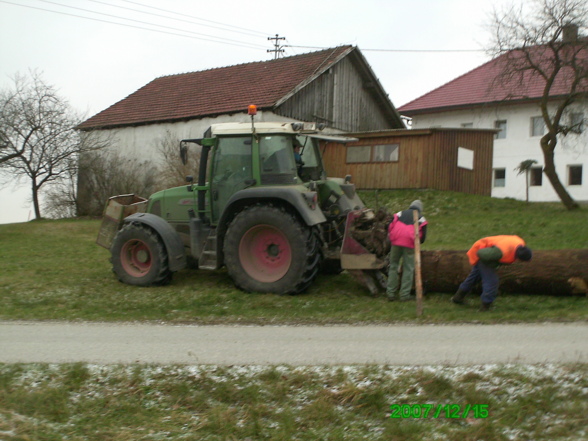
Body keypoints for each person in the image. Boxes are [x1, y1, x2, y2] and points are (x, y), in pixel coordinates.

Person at [452, 235, 532, 311]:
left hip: (488, 252)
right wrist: (493, 264)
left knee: (474, 277)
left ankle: (458, 298)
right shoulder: (501, 252)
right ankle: (486, 306)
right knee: (492, 281)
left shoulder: (520, 243)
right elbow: (481, 254)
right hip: (482, 253)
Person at [386, 200, 428, 301]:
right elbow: (423, 238)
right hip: (409, 243)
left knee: (393, 266)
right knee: (408, 268)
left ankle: (390, 293)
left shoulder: (399, 213)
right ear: (420, 209)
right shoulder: (421, 218)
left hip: (395, 241)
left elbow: (390, 226)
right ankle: (404, 295)